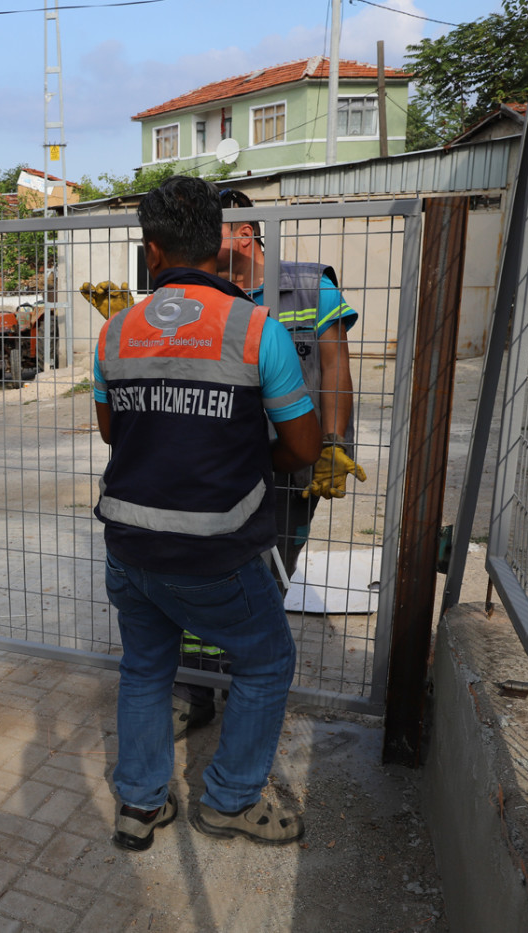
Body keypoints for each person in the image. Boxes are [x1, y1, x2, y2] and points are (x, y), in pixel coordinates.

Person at [94, 176, 319, 850]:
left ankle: (139, 804)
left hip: (130, 545)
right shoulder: (256, 330)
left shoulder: (114, 332)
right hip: (213, 549)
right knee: (267, 660)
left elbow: (112, 432)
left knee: (144, 667)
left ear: (152, 252)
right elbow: (302, 448)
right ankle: (228, 800)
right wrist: (246, 459)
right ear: (218, 247)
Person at [170, 188, 369, 738]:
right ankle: (195, 689)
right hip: (216, 468)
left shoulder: (310, 286)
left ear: (244, 232)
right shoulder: (199, 294)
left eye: (211, 227)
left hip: (288, 465)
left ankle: (245, 685)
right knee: (200, 574)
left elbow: (335, 367)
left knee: (265, 578)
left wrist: (334, 442)